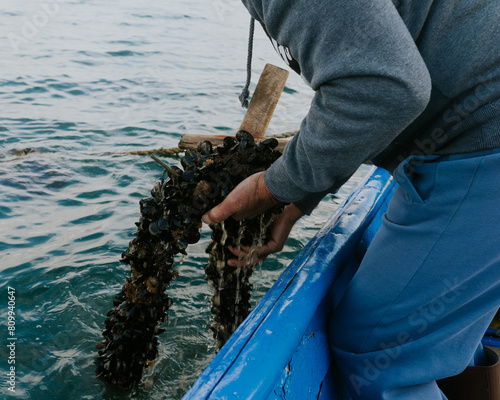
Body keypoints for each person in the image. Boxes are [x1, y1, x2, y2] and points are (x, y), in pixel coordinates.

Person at [202, 1, 500, 399]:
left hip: (481, 145)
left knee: (378, 350)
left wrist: (268, 189)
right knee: (436, 324)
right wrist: (293, 205)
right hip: (469, 136)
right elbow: (371, 88)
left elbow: (381, 90)